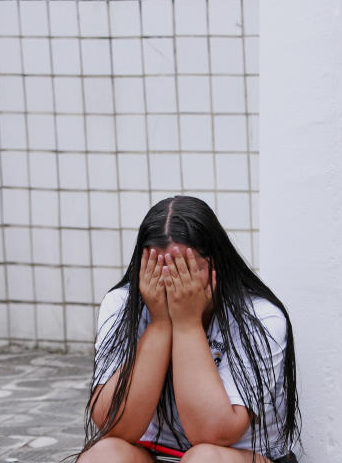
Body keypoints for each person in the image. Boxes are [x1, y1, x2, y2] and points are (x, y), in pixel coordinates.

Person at [79, 196, 301, 463]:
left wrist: (187, 325)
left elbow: (214, 433)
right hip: (153, 454)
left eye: (186, 270)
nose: (173, 283)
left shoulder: (260, 317)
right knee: (102, 455)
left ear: (217, 263)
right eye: (159, 270)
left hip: (234, 456)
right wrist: (161, 324)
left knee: (204, 459)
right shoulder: (122, 304)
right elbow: (113, 424)